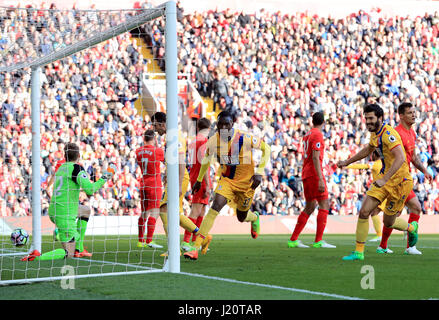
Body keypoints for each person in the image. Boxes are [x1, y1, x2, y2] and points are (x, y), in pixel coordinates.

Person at [184, 110, 271, 261]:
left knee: (241, 217)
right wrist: (199, 180)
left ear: (232, 125)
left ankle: (254, 217)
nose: (223, 128)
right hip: (227, 181)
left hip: (247, 185)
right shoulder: (213, 141)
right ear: (216, 126)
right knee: (215, 207)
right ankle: (196, 247)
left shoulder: (244, 138)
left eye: (227, 124)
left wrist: (259, 172)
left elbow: (267, 149)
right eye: (220, 125)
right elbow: (205, 160)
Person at [337, 103, 418, 261]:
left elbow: (401, 157)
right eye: (366, 118)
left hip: (400, 182)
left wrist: (385, 179)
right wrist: (347, 161)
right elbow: (368, 149)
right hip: (384, 179)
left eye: (371, 118)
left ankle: (411, 228)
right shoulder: (376, 133)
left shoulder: (388, 133)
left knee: (388, 222)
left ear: (380, 118)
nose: (368, 122)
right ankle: (359, 252)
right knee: (364, 211)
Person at [21, 142, 116, 261]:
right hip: (64, 214)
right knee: (68, 253)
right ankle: (38, 257)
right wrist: (106, 176)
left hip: (56, 209)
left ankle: (79, 248)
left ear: (65, 156)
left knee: (85, 210)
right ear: (79, 156)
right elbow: (90, 190)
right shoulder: (76, 169)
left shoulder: (61, 168)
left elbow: (69, 185)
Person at [376, 102, 433, 255]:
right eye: (410, 113)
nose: (414, 115)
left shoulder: (411, 133)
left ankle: (384, 246)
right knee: (410, 209)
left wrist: (424, 170)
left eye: (414, 112)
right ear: (401, 115)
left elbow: (413, 156)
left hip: (404, 179)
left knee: (400, 212)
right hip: (396, 179)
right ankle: (409, 246)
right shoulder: (396, 133)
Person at [150, 112, 200, 253]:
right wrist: (166, 174)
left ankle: (173, 248)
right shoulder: (170, 136)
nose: (154, 129)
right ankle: (202, 235)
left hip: (179, 178)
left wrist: (177, 183)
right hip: (174, 178)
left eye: (155, 126)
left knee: (163, 209)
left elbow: (181, 160)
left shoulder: (175, 135)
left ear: (162, 124)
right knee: (174, 214)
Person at [287, 112, 336, 249]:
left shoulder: (307, 135)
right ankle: (318, 241)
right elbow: (315, 157)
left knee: (310, 207)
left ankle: (293, 239)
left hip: (306, 174)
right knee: (324, 205)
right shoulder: (318, 135)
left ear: (312, 121)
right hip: (314, 174)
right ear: (323, 122)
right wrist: (320, 178)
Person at [181, 118, 212, 251]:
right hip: (200, 178)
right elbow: (204, 163)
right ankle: (186, 241)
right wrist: (207, 183)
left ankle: (195, 241)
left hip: (194, 176)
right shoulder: (203, 141)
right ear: (209, 128)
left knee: (202, 210)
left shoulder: (193, 142)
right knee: (196, 210)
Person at [347, 150, 384, 244]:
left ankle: (406, 228)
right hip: (384, 190)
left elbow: (362, 166)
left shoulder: (376, 164)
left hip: (381, 191)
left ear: (375, 155)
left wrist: (347, 165)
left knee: (378, 214)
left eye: (372, 154)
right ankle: (380, 235)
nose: (371, 156)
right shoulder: (383, 163)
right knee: (376, 213)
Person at [135, 129, 165, 249]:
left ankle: (140, 241)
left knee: (144, 212)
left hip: (143, 182)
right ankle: (149, 240)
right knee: (155, 212)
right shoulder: (157, 150)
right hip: (154, 183)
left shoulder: (138, 151)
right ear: (154, 139)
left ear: (144, 138)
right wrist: (157, 144)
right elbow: (166, 161)